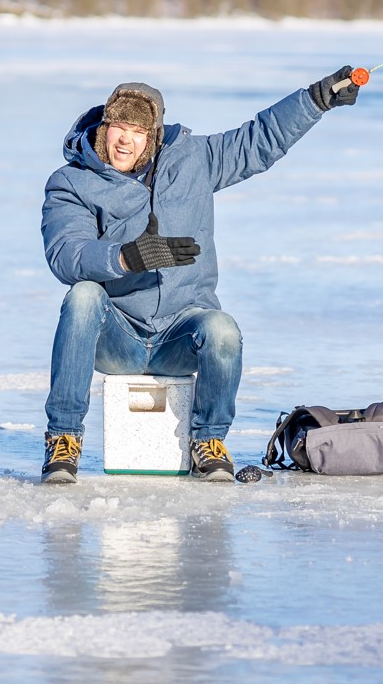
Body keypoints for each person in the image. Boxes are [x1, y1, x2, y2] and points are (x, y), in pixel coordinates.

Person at [39, 68, 360, 483]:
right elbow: (66, 254)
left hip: (180, 334)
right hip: (116, 336)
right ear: (104, 127)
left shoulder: (194, 160)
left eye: (137, 131)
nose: (125, 139)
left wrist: (316, 99)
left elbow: (258, 139)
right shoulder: (72, 182)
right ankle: (63, 438)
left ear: (152, 136)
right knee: (82, 295)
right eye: (118, 126)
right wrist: (127, 257)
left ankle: (208, 440)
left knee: (223, 330)